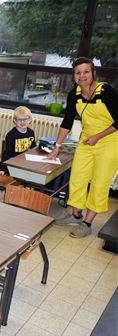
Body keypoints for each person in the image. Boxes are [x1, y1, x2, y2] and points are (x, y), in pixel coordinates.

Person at [48, 57, 118, 238]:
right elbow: (67, 122)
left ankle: (87, 224)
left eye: (86, 71)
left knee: (99, 182)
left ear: (93, 72)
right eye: (78, 72)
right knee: (78, 177)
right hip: (87, 140)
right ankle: (76, 215)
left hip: (110, 140)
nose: (82, 75)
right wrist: (57, 147)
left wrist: (98, 137)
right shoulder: (75, 94)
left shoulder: (106, 91)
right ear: (74, 76)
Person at [0, 106, 36, 174]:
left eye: (25, 119)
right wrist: (3, 169)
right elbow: (7, 154)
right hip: (13, 165)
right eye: (19, 119)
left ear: (30, 120)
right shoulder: (11, 135)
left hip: (24, 163)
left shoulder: (31, 133)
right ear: (15, 121)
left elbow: (33, 148)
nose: (22, 122)